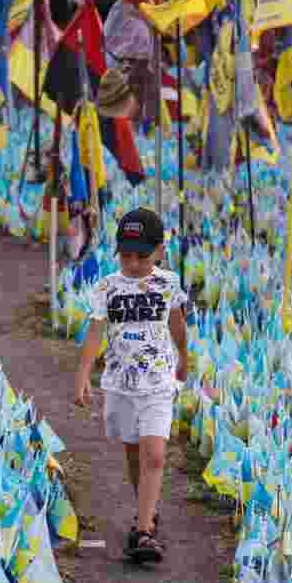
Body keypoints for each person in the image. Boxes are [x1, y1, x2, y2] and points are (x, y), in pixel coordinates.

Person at [74, 208, 189, 563]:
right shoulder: (107, 287)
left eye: (142, 256)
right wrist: (83, 373)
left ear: (159, 252)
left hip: (158, 383)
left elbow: (177, 323)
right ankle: (146, 511)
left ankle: (142, 531)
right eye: (126, 256)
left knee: (155, 454)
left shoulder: (168, 284)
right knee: (134, 453)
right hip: (120, 385)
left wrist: (184, 356)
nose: (134, 263)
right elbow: (95, 332)